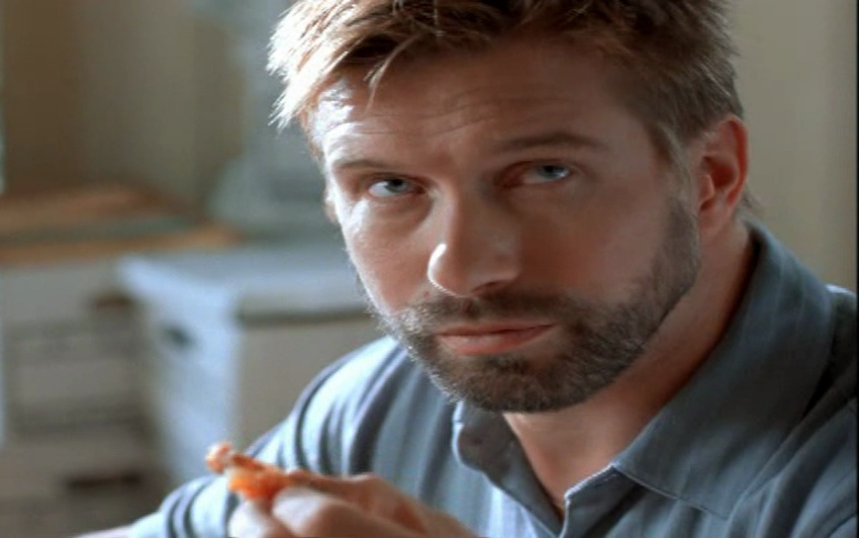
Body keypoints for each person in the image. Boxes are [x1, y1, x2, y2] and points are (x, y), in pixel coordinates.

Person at [90, 1, 856, 536]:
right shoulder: (378, 406)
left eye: (544, 173)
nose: (458, 270)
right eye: (391, 187)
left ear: (711, 177)